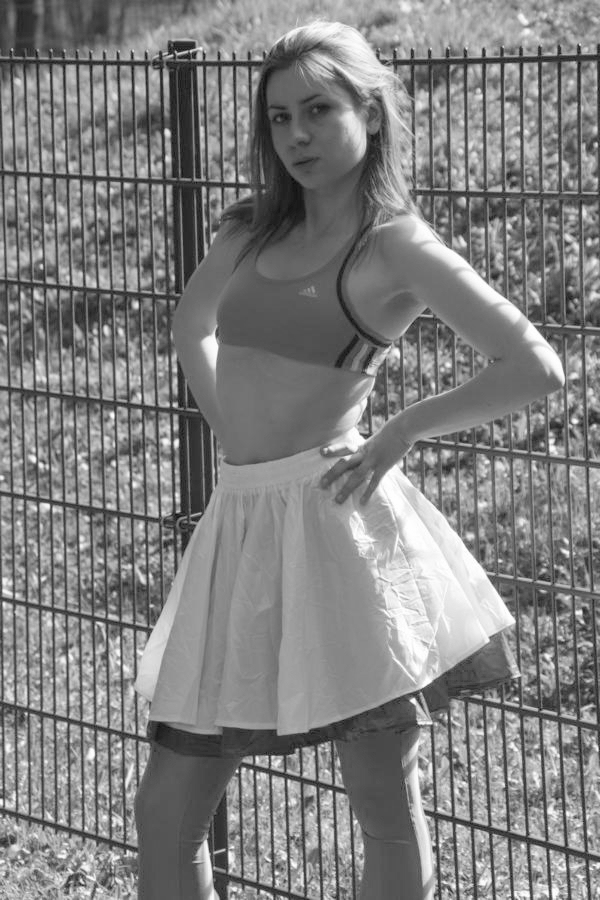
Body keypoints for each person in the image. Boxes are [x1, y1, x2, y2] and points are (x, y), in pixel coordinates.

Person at [133, 20, 565, 900]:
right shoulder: (248, 229)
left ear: (370, 112)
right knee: (167, 809)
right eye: (279, 117)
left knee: (381, 802)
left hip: (339, 532)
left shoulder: (395, 245)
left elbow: (534, 366)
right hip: (239, 525)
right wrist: (235, 437)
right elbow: (190, 325)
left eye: (318, 110)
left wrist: (400, 431)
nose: (296, 135)